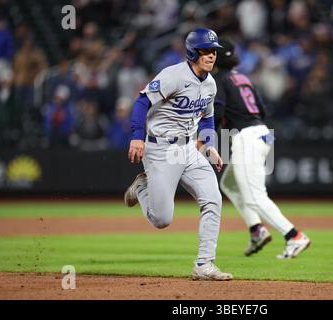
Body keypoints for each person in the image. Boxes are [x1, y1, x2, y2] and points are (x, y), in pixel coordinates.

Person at [123, 28, 233, 281]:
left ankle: (204, 265)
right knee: (162, 219)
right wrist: (137, 136)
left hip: (189, 149)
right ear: (193, 52)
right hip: (161, 149)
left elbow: (207, 119)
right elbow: (142, 102)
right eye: (206, 51)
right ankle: (142, 187)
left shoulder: (211, 84)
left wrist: (209, 145)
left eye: (214, 51)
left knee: (213, 200)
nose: (211, 56)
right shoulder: (173, 75)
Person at [213, 38, 311, 259]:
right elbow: (263, 110)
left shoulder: (219, 79)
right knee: (229, 184)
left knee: (255, 197)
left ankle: (294, 236)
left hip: (247, 138)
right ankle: (257, 230)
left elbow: (218, 113)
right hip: (262, 132)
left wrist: (209, 134)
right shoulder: (242, 77)